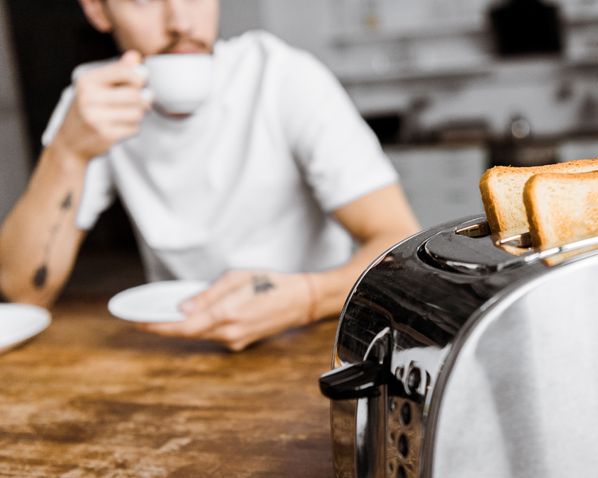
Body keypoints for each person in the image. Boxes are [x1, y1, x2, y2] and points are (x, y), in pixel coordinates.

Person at [0, 0, 420, 351]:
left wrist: (308, 299)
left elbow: (398, 240)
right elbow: (23, 291)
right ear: (97, 9)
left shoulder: (283, 77)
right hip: (185, 349)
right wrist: (68, 153)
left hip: (311, 341)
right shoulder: (92, 103)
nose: (181, 21)